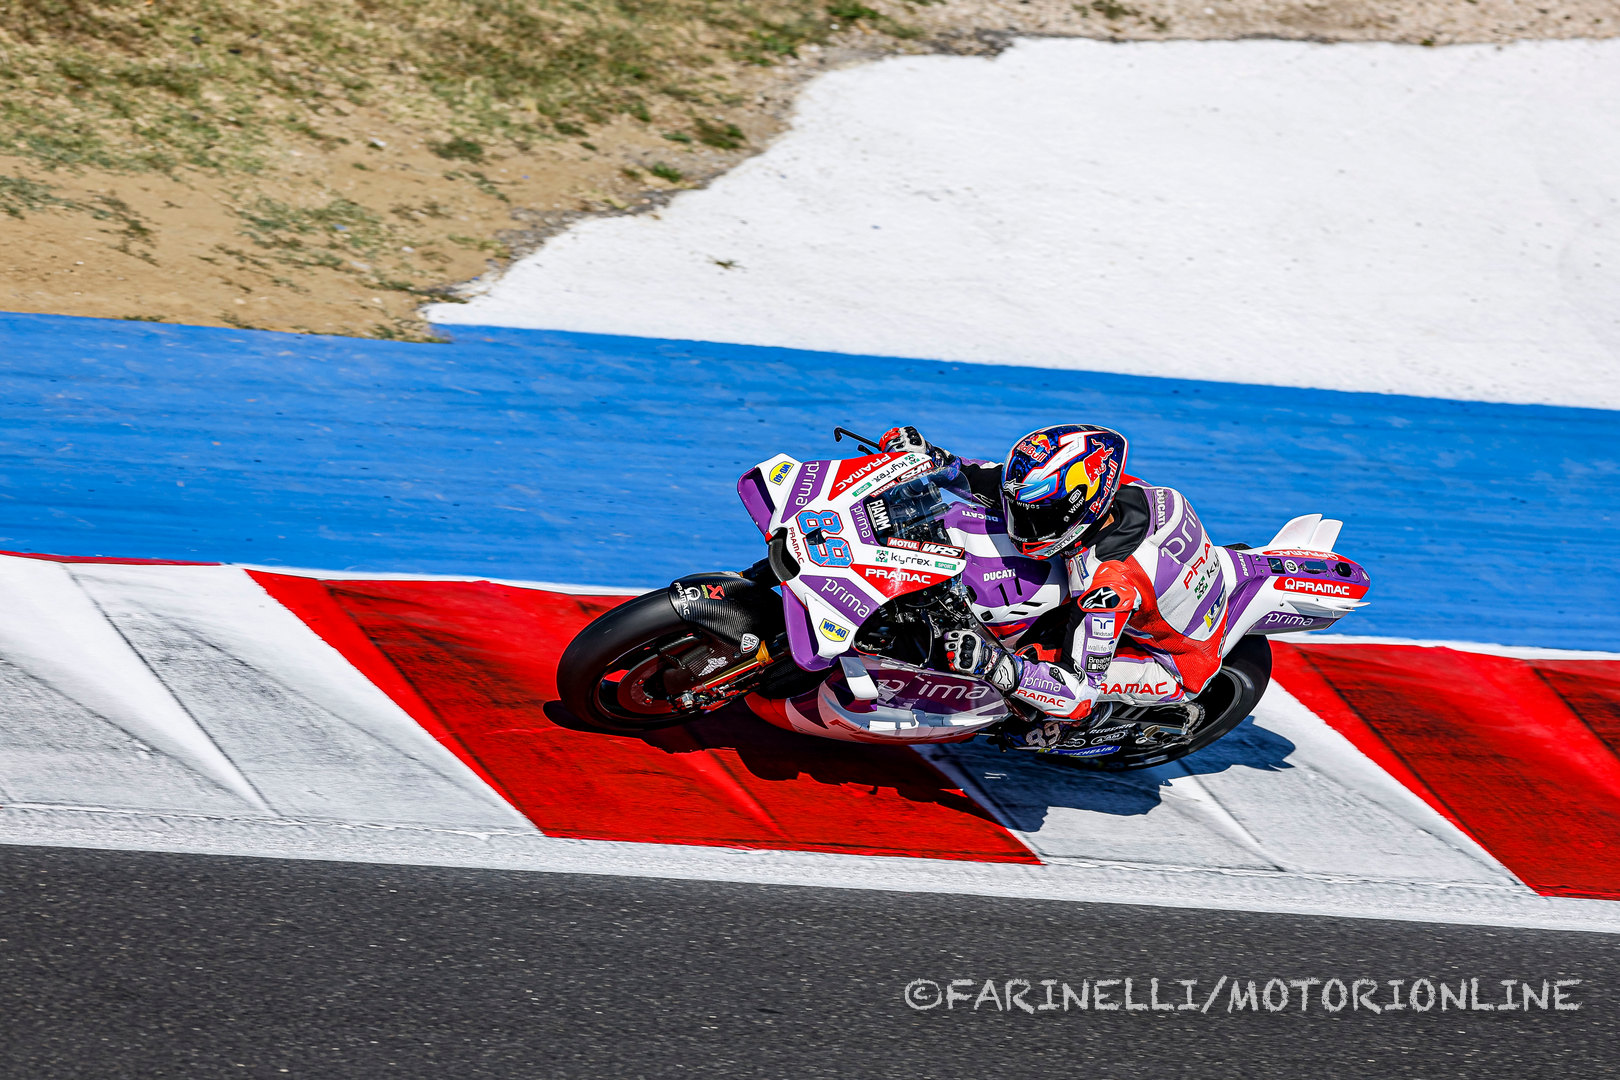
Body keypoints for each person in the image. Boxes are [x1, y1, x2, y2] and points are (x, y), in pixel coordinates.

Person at [877, 423, 1229, 731]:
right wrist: (934, 459)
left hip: (1173, 665)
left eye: (1039, 517)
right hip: (1168, 591)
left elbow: (1079, 693)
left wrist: (997, 666)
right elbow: (1001, 485)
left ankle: (1055, 725)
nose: (1024, 525)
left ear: (1082, 506)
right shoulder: (1113, 486)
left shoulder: (1107, 587)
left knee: (1027, 666)